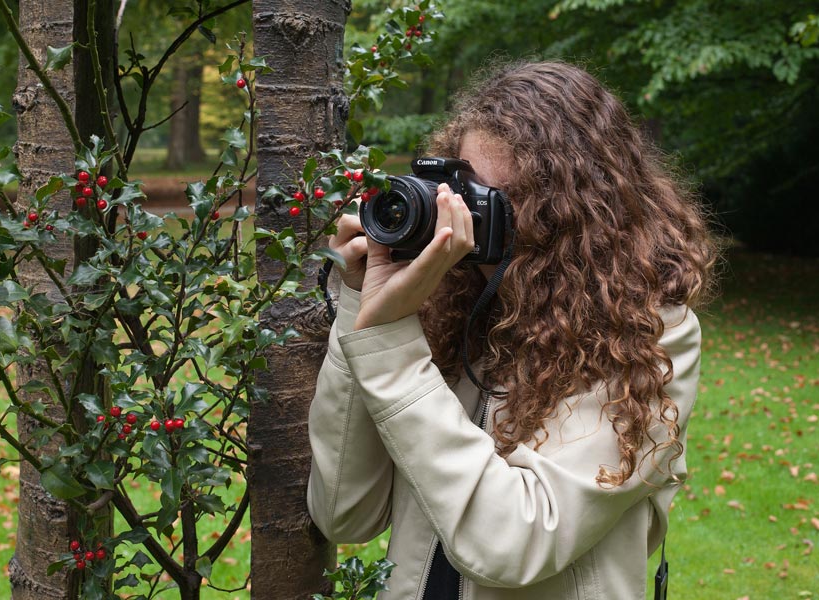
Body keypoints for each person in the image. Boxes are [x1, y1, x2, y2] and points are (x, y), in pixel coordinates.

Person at [306, 61, 716, 600]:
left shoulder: (648, 334)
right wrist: (365, 304)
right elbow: (344, 511)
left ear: (575, 214)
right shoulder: (448, 303)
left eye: (499, 203)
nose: (466, 224)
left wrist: (391, 350)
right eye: (464, 193)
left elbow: (515, 543)